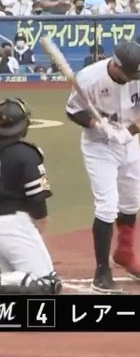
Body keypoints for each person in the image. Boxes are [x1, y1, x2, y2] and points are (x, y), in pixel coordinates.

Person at [65, 40, 140, 294]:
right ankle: (102, 272)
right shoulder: (89, 78)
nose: (133, 78)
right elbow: (73, 111)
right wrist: (97, 125)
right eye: (129, 74)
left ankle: (125, 252)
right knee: (107, 206)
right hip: (98, 146)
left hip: (129, 142)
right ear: (117, 66)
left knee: (131, 201)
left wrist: (128, 131)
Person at [0, 97, 62, 294]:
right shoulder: (25, 154)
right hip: (12, 224)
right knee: (45, 284)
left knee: (12, 282)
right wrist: (39, 228)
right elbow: (37, 202)